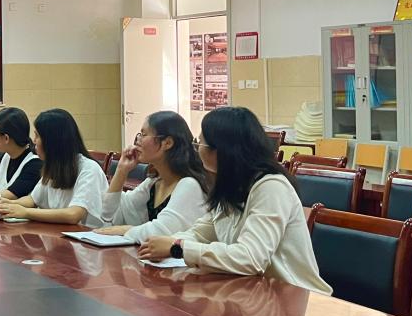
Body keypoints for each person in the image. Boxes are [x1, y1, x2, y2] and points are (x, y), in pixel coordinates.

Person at [137, 107, 332, 296]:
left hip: (295, 298)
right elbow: (200, 233)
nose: (197, 149)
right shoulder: (231, 186)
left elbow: (250, 258)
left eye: (201, 143)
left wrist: (178, 248)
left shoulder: (271, 187)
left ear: (221, 150)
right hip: (253, 293)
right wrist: (168, 244)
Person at [96, 111, 207, 242]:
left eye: (143, 135)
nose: (137, 141)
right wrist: (121, 171)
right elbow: (109, 216)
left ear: (167, 143)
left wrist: (127, 230)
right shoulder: (153, 183)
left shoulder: (190, 185)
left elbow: (162, 232)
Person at [0, 109, 105, 226]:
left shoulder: (89, 169)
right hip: (61, 233)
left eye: (37, 136)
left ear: (52, 141)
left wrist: (26, 212)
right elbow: (32, 200)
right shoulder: (53, 166)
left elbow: (73, 214)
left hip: (86, 235)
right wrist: (9, 204)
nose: (34, 141)